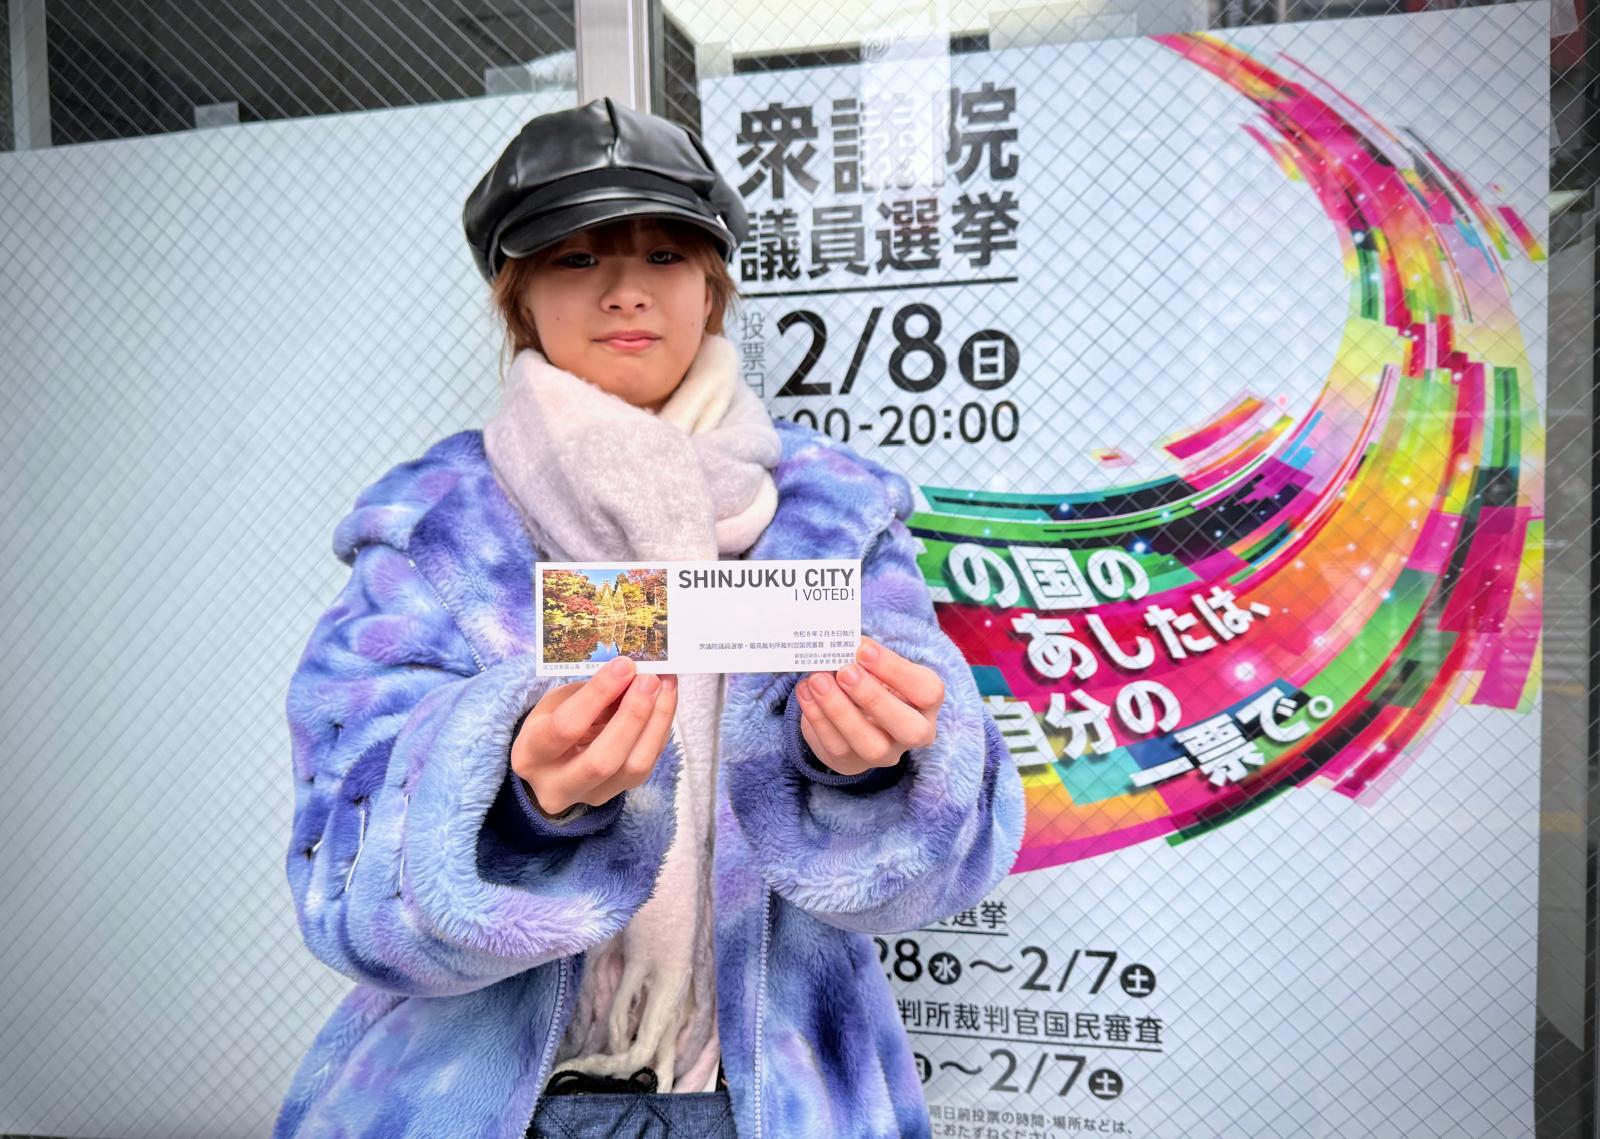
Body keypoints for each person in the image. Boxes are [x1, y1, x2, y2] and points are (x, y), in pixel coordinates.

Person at [272, 96, 1026, 1139]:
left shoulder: (837, 514)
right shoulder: (434, 528)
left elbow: (943, 851)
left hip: (774, 1094)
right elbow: (342, 866)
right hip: (484, 1099)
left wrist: (872, 768)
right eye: (575, 259)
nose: (627, 289)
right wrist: (516, 795)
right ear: (516, 296)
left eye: (667, 254)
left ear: (711, 288)